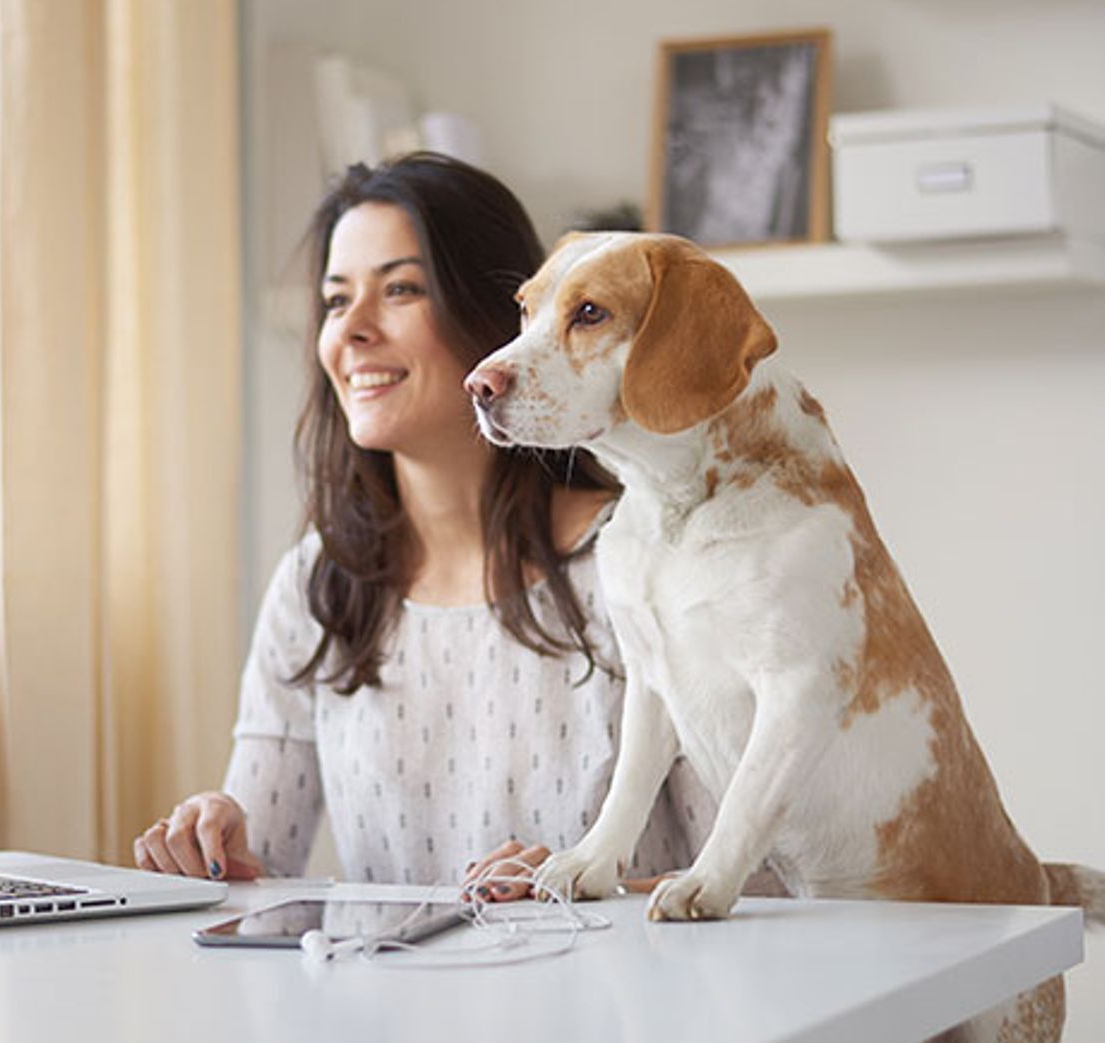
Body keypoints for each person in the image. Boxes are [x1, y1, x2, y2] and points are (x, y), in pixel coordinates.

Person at [131, 152, 718, 898]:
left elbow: (755, 884)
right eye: (337, 301)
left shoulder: (647, 566)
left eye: (401, 289)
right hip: (387, 1011)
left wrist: (579, 881)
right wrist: (214, 840)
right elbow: (259, 868)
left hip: (624, 1008)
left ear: (498, 317)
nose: (354, 332)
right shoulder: (318, 583)